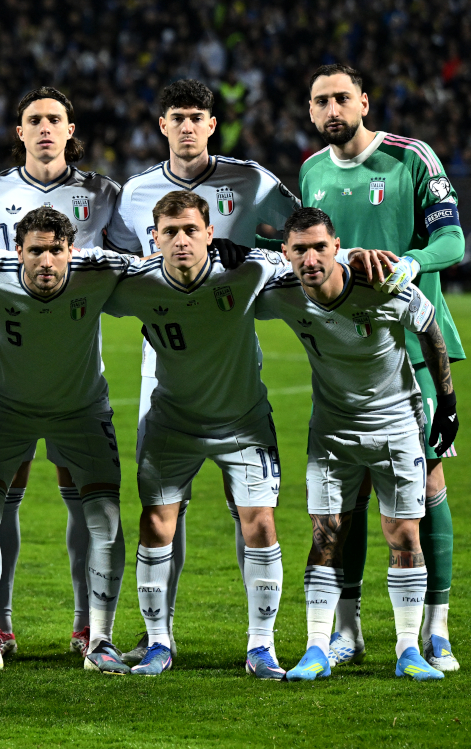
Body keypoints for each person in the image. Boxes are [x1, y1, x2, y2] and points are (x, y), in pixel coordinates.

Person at [108, 79, 300, 665]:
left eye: (197, 117)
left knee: (252, 512)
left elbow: (299, 236)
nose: (187, 126)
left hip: (229, 340)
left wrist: (262, 260)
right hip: (161, 352)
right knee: (163, 506)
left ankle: (260, 641)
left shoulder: (252, 181)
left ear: (212, 124)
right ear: (161, 125)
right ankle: (158, 633)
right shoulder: (136, 193)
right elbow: (114, 257)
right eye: (177, 118)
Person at [299, 63, 465, 672]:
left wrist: (408, 265)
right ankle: (347, 629)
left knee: (426, 487)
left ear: (364, 101)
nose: (332, 108)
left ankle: (436, 630)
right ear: (312, 112)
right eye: (321, 101)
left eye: (342, 96)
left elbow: (453, 244)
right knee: (350, 492)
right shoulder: (312, 171)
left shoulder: (411, 157)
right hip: (350, 353)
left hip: (417, 347)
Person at [253, 208, 456, 682]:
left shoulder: (379, 283)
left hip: (397, 425)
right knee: (326, 537)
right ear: (286, 253)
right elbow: (237, 270)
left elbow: (428, 327)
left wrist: (446, 404)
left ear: (337, 246)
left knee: (403, 535)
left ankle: (409, 649)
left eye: (320, 247)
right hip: (332, 431)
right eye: (299, 249)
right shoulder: (282, 291)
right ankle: (316, 648)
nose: (310, 258)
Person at [0, 207, 131, 675]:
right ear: (18, 252)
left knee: (105, 514)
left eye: (55, 250)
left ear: (72, 250)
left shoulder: (102, 269)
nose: (46, 261)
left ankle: (100, 640)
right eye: (36, 251)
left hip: (81, 411)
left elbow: (161, 267)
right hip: (5, 410)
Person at [0, 87, 125, 657]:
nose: (44, 128)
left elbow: (135, 264)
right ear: (20, 130)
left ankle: (90, 629)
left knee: (84, 499)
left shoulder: (104, 194)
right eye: (33, 119)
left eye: (54, 118)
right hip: (5, 374)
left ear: (69, 127)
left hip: (77, 379)